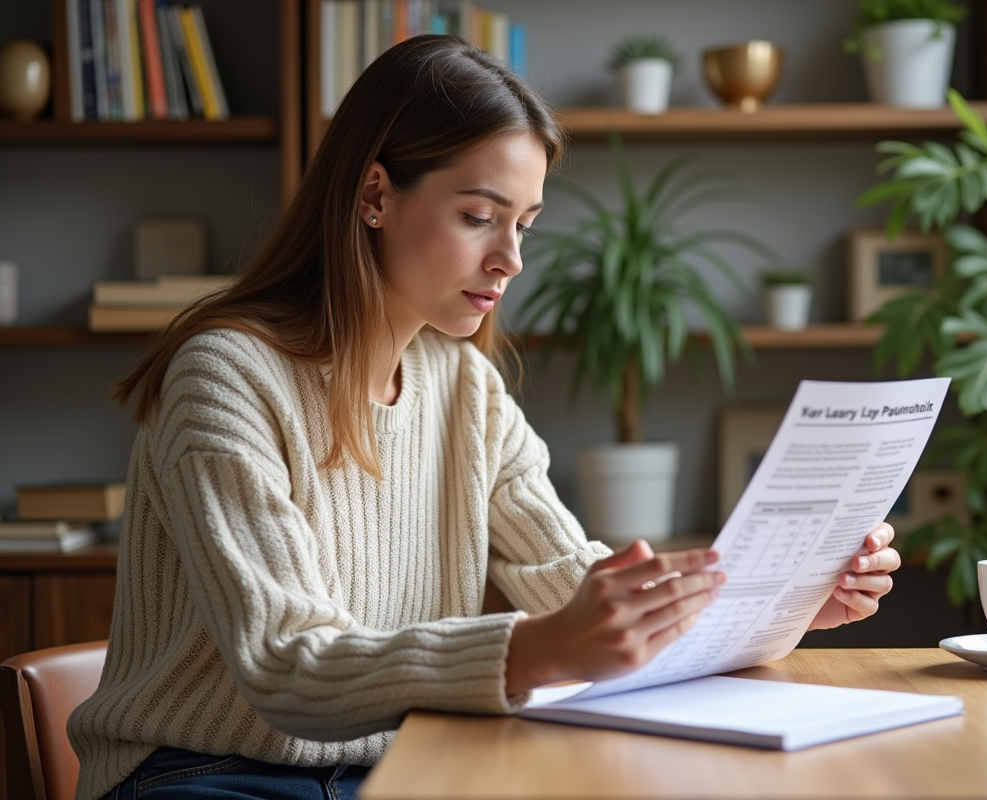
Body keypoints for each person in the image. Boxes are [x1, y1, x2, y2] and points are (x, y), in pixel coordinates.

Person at [67, 35, 901, 800]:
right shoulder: (226, 376)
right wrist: (544, 647)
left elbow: (568, 577)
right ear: (374, 196)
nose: (511, 259)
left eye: (524, 225)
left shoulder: (465, 386)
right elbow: (288, 664)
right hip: (208, 774)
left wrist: (779, 600)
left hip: (403, 763)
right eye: (478, 217)